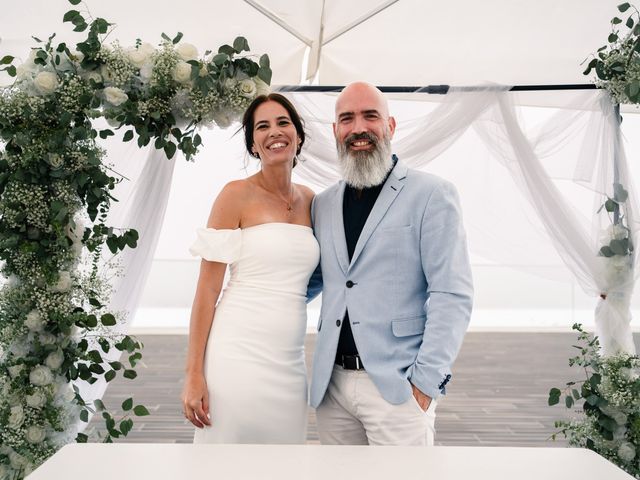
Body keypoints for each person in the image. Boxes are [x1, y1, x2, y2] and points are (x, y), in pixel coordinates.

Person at [307, 82, 473, 446]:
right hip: (330, 387)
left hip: (399, 388)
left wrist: (426, 382)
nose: (358, 128)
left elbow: (452, 294)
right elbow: (316, 280)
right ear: (335, 131)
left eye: (371, 116)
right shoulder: (322, 204)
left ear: (391, 126)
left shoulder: (432, 194)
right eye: (346, 119)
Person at [183, 93, 318, 443]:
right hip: (236, 356)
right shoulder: (235, 195)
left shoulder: (312, 200)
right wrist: (194, 374)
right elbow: (206, 293)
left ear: (298, 136)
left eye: (283, 122)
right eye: (263, 126)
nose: (275, 132)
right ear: (254, 145)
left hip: (289, 365)